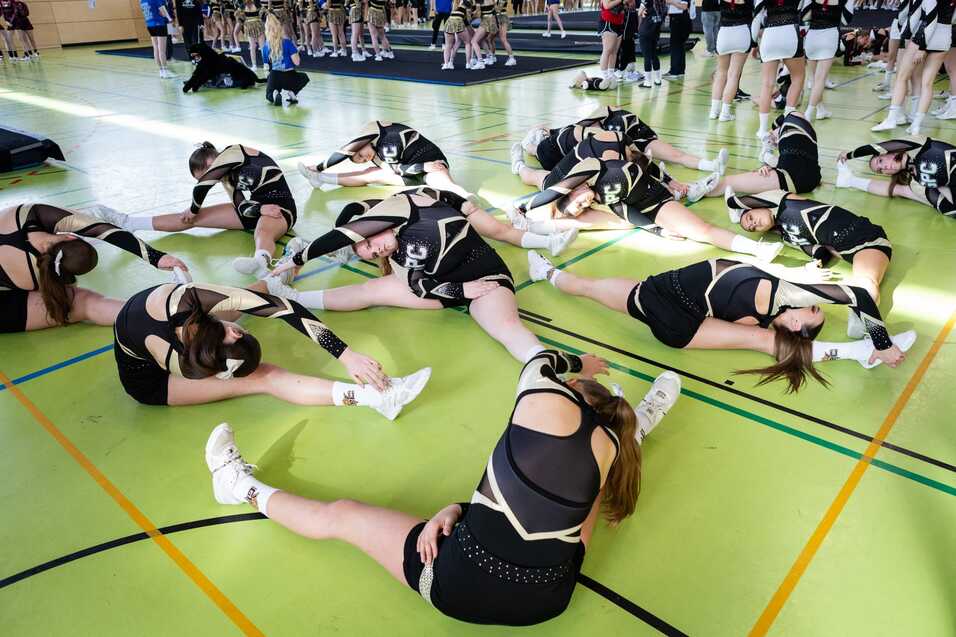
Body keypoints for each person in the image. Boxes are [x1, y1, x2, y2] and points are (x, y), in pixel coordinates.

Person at [201, 350, 680, 624]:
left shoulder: (543, 402)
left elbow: (541, 360)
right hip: (548, 599)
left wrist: (584, 363)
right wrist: (454, 510)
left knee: (341, 516)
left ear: (571, 391)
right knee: (582, 502)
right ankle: (638, 427)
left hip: (462, 585)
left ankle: (237, 486)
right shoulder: (604, 446)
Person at [527, 252, 915, 391]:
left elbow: (860, 295)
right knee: (589, 287)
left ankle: (863, 351)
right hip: (662, 299)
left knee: (761, 341)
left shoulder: (785, 299)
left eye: (815, 316)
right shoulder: (768, 312)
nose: (817, 306)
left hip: (670, 314)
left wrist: (881, 341)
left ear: (796, 326)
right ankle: (547, 273)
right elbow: (857, 298)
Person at [267, 188, 553, 363]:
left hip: (487, 277)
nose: (373, 250)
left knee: (505, 326)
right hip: (447, 289)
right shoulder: (400, 260)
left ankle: (543, 365)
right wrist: (460, 291)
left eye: (367, 241)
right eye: (368, 253)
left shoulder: (409, 204)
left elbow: (443, 195)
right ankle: (292, 297)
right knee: (371, 290)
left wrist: (467, 207)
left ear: (371, 221)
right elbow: (422, 288)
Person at [112, 280, 430, 415]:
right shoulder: (183, 364)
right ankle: (377, 398)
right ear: (234, 335)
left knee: (249, 301)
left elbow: (284, 309)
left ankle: (269, 279)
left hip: (169, 333)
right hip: (152, 382)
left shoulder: (188, 299)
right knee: (266, 377)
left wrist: (347, 355)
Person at [509, 150, 784, 261]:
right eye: (584, 207)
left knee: (703, 229)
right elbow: (628, 213)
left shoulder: (589, 169)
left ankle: (756, 247)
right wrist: (657, 231)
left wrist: (525, 206)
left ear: (572, 191)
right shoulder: (603, 197)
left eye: (579, 203)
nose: (585, 203)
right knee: (700, 232)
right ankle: (757, 250)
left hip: (656, 191)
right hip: (653, 206)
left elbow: (552, 192)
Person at [91, 142, 303, 281]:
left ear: (211, 161)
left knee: (263, 231)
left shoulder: (235, 152)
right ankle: (129, 222)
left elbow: (202, 188)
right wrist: (258, 207)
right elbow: (242, 207)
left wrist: (193, 207)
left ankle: (261, 264)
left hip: (281, 207)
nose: (212, 177)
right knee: (192, 219)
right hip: (258, 208)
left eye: (206, 174)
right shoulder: (228, 179)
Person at [0, 203, 187, 333]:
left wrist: (156, 257)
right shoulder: (32, 279)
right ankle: (167, 313)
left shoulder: (28, 215)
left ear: (70, 237)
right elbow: (105, 230)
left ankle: (165, 315)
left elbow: (99, 229)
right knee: (84, 303)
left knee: (74, 301)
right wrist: (155, 258)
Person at [725, 188, 892, 301]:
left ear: (754, 207)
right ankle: (863, 322)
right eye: (752, 228)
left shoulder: (780, 200)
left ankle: (869, 324)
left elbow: (734, 202)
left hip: (865, 236)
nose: (754, 224)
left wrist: (736, 214)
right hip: (851, 252)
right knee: (863, 285)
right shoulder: (787, 238)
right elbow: (820, 251)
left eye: (750, 218)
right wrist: (814, 265)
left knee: (867, 284)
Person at [518, 106, 729, 174]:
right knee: (656, 160)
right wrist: (537, 135)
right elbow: (532, 145)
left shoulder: (579, 126)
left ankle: (712, 165)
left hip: (639, 134)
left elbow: (588, 119)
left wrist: (541, 129)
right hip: (632, 142)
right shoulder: (556, 144)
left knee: (676, 155)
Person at [297, 121, 474, 197]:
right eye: (362, 159)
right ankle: (320, 179)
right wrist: (424, 166)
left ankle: (463, 195)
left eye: (360, 155)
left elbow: (346, 150)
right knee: (369, 173)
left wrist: (320, 166)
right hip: (416, 169)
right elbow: (398, 170)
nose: (365, 157)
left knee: (439, 175)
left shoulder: (377, 134)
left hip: (431, 159)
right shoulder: (380, 153)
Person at [685, 112, 821, 201]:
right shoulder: (797, 126)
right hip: (809, 177)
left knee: (728, 182)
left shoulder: (791, 122)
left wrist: (770, 159)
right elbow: (795, 158)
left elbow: (791, 160)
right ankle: (766, 154)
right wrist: (771, 163)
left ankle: (685, 189)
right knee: (733, 183)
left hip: (791, 175)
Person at [871, 0, 953, 134]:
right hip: (944, 36)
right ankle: (916, 125)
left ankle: (892, 119)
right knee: (927, 84)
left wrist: (920, 47)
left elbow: (930, 17)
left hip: (926, 35)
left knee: (902, 77)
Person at [835, 138, 956, 217]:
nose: (884, 168)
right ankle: (850, 180)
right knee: (907, 190)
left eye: (880, 161)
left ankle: (849, 180)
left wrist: (849, 155)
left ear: (887, 151)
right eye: (880, 170)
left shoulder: (918, 143)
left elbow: (876, 147)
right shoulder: (916, 183)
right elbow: (948, 208)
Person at [750, 0, 808, 138]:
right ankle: (788, 121)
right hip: (790, 33)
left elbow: (756, 17)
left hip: (770, 35)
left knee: (767, 84)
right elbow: (805, 13)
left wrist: (753, 44)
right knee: (798, 77)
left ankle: (763, 129)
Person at [803, 0, 854, 121]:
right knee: (820, 80)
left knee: (814, 78)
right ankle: (808, 113)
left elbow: (805, 16)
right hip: (829, 37)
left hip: (812, 37)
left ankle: (821, 109)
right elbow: (846, 21)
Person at [708, 0, 753, 121]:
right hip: (742, 31)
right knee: (733, 75)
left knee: (721, 73)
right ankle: (725, 113)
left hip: (724, 32)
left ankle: (713, 111)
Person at [262, 14, 310, 105]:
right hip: (290, 76)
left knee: (269, 95)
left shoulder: (265, 46)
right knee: (304, 77)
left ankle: (275, 92)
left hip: (274, 75)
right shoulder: (288, 43)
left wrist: (270, 81)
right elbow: (297, 62)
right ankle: (292, 93)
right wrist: (297, 52)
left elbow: (266, 67)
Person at [141, 0, 178, 77]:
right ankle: (165, 71)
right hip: (159, 25)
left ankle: (161, 71)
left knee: (156, 48)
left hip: (150, 25)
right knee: (162, 50)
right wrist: (170, 19)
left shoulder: (142, 1)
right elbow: (162, 10)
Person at [662, 0, 694, 80]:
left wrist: (671, 2)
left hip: (679, 21)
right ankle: (680, 71)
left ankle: (674, 72)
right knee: (680, 46)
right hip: (677, 19)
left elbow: (684, 6)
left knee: (675, 46)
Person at [637, 0, 667, 87]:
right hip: (655, 31)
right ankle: (658, 79)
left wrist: (642, 12)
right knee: (654, 54)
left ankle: (647, 81)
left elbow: (639, 12)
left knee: (647, 56)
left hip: (646, 30)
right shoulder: (663, 1)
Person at [598, 0, 628, 81]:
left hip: (619, 22)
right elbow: (606, 5)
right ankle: (605, 75)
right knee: (607, 50)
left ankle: (611, 73)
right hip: (609, 21)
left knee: (614, 52)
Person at [240, 0, 265, 68]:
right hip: (256, 26)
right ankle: (263, 64)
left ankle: (257, 65)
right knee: (256, 46)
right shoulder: (255, 4)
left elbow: (240, 19)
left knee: (256, 46)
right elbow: (263, 15)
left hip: (253, 26)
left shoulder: (244, 5)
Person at [493, 0, 516, 65]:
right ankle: (491, 56)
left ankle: (512, 58)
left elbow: (498, 9)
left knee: (503, 39)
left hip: (502, 18)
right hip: (498, 18)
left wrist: (492, 4)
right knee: (492, 38)